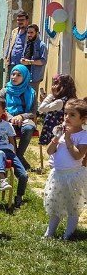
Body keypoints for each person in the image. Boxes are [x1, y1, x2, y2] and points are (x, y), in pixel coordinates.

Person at [43, 99, 87, 240]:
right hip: (58, 175)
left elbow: (77, 156)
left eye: (72, 115)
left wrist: (68, 139)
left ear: (83, 119)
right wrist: (56, 139)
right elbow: (50, 152)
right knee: (55, 204)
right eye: (66, 114)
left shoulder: (83, 136)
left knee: (72, 206)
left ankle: (68, 235)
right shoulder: (60, 131)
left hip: (72, 176)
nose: (67, 117)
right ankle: (49, 233)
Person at [0, 96, 28, 207]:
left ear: (3, 110)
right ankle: (2, 179)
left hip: (9, 152)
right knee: (0, 153)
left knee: (24, 175)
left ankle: (19, 196)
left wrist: (14, 154)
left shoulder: (7, 125)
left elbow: (12, 142)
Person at [3, 64, 36, 169]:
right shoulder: (5, 91)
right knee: (8, 128)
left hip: (25, 119)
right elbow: (0, 108)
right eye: (13, 74)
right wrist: (10, 117)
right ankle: (16, 158)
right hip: (8, 119)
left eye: (18, 75)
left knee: (29, 128)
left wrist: (21, 116)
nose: (14, 77)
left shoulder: (31, 93)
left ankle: (19, 155)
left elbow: (33, 112)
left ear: (25, 77)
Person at [39, 74, 77, 147]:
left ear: (62, 87)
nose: (53, 86)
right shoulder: (70, 99)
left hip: (55, 131)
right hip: (65, 130)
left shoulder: (59, 102)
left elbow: (41, 108)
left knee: (54, 150)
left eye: (56, 84)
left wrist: (51, 94)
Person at [19, 23, 47, 94]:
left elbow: (43, 61)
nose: (29, 35)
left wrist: (29, 62)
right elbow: (23, 56)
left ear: (36, 33)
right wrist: (22, 61)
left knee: (32, 98)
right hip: (24, 75)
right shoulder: (27, 44)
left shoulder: (42, 45)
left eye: (31, 32)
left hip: (34, 77)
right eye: (28, 33)